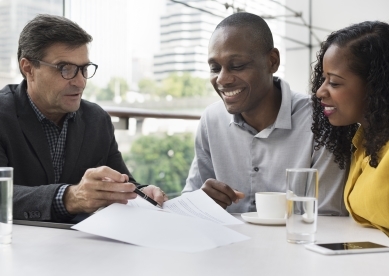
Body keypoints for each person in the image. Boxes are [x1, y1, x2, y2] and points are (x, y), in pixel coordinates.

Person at [0, 14, 167, 222]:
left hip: (81, 248)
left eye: (84, 69)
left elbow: (122, 182)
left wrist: (142, 192)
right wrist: (69, 198)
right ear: (29, 69)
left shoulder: (97, 120)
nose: (80, 82)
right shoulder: (3, 115)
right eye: (65, 69)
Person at [182, 12, 348, 216]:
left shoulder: (322, 118)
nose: (222, 79)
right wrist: (201, 202)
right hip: (230, 246)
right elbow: (190, 201)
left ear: (272, 61)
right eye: (215, 68)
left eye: (237, 66)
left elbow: (327, 217)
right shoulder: (211, 120)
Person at [311, 21, 389, 236]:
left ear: (376, 85)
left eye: (334, 83)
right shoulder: (363, 141)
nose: (320, 92)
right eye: (323, 79)